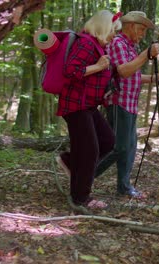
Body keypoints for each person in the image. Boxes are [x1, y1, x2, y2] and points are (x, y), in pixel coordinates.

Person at [95, 11, 159, 197]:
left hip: (129, 104)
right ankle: (83, 174)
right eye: (141, 29)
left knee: (130, 147)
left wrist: (154, 78)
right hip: (119, 102)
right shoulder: (118, 43)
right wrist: (147, 54)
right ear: (130, 26)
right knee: (119, 147)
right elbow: (123, 71)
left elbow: (134, 75)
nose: (143, 34)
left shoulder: (130, 47)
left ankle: (124, 187)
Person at [55, 10, 122, 208]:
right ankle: (81, 197)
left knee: (107, 140)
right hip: (75, 105)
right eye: (113, 31)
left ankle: (70, 161)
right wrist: (99, 67)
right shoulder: (85, 43)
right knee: (90, 150)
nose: (114, 36)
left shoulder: (99, 47)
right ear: (103, 28)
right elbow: (71, 71)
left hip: (88, 105)